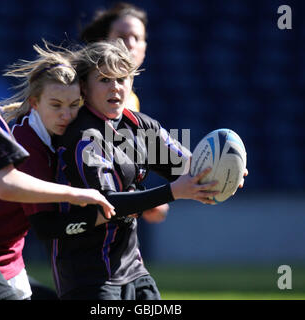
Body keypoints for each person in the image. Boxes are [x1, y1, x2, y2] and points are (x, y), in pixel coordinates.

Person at [46, 39, 239, 300]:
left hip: (133, 270)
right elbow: (107, 204)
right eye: (104, 79)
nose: (115, 86)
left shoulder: (139, 126)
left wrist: (222, 174)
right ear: (84, 86)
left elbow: (189, 169)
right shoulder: (83, 137)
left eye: (122, 78)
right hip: (88, 277)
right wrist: (172, 192)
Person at [0, 4, 114, 300]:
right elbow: (8, 187)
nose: (66, 115)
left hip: (0, 262)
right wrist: (76, 195)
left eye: (74, 106)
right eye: (56, 105)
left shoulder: (62, 138)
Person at [80, 2, 169, 223]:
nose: (129, 44)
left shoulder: (130, 102)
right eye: (122, 35)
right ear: (104, 41)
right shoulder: (83, 96)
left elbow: (119, 163)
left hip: (115, 220)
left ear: (145, 47)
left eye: (137, 38)